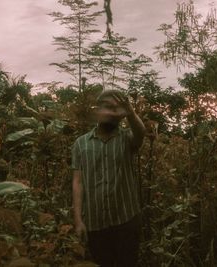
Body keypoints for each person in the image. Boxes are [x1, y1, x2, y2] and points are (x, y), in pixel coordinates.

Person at [71, 89, 146, 267]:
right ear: (98, 110)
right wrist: (78, 220)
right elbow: (78, 183)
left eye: (116, 109)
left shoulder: (127, 139)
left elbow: (141, 133)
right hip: (95, 224)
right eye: (106, 107)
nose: (111, 112)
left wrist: (131, 112)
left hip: (126, 221)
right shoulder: (81, 144)